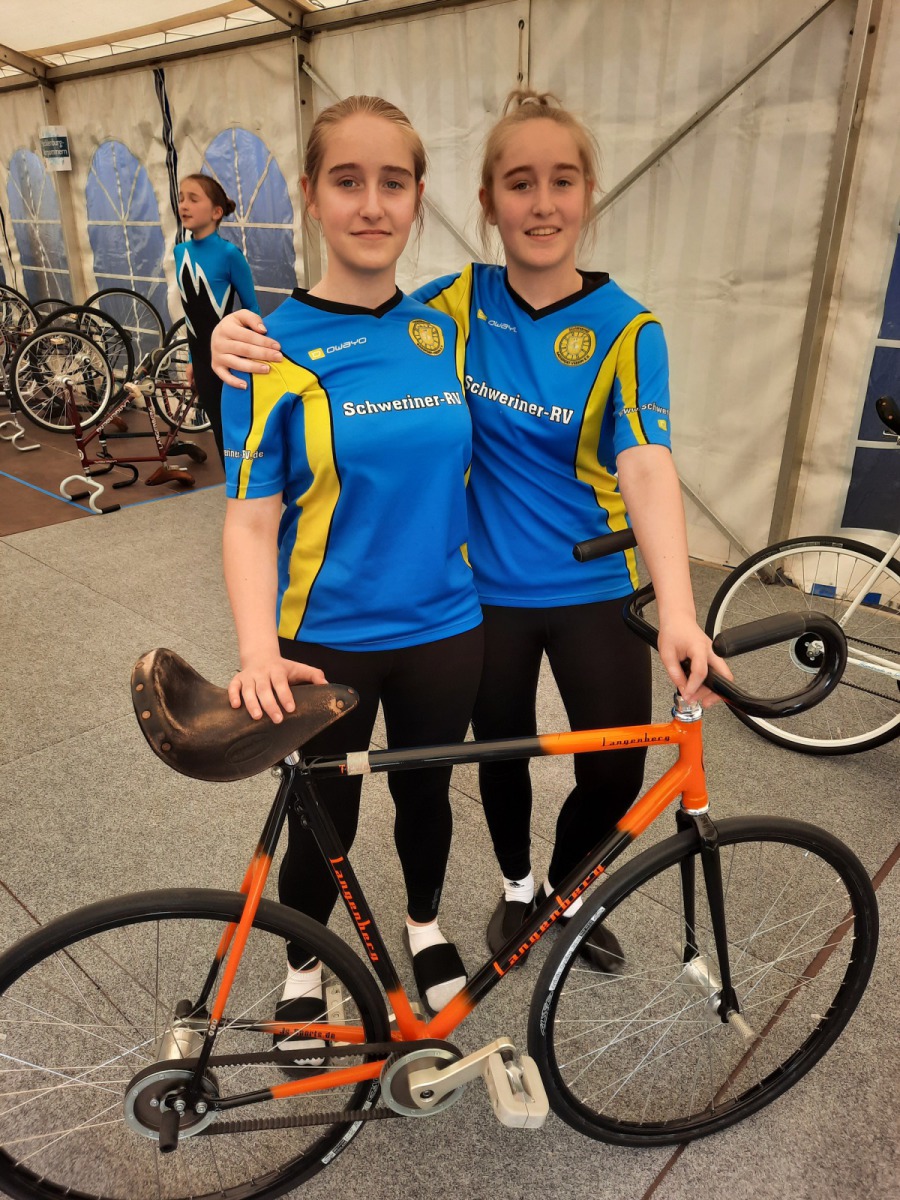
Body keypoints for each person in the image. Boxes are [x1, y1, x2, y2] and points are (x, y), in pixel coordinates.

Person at [212, 89, 729, 974]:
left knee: (608, 769)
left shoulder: (624, 329)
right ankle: (512, 888)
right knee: (482, 763)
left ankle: (562, 889)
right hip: (479, 597)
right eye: (519, 183)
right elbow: (352, 321)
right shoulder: (450, 308)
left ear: (589, 192)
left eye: (562, 182)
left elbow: (648, 466)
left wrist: (680, 611)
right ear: (485, 202)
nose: (543, 203)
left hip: (570, 589)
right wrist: (227, 335)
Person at [220, 96, 483, 1051]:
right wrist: (258, 650)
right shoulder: (267, 348)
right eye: (348, 181)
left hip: (448, 629)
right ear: (310, 194)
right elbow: (250, 519)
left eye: (394, 183)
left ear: (418, 197)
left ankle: (424, 925)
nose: (372, 205)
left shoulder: (452, 324)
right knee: (321, 818)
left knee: (426, 797)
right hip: (324, 640)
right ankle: (304, 967)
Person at [175, 174, 259, 462]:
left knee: (238, 432)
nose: (184, 205)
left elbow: (251, 308)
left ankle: (248, 485)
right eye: (181, 198)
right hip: (202, 359)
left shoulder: (229, 254)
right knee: (220, 434)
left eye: (193, 199)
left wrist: (252, 358)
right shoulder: (180, 252)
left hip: (230, 359)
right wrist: (190, 360)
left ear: (216, 212)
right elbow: (190, 313)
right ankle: (231, 486)